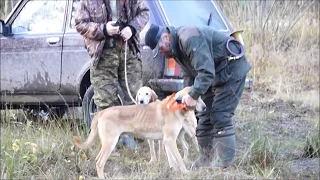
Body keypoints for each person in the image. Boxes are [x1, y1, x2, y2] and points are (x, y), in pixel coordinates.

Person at [144, 24, 251, 169]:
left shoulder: (189, 38)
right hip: (214, 75)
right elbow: (189, 75)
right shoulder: (175, 49)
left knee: (220, 115)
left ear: (165, 37)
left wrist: (194, 95)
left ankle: (225, 164)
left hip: (231, 70)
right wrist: (186, 97)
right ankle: (206, 158)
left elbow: (206, 72)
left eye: (160, 48)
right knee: (203, 116)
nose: (161, 53)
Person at [75, 0, 150, 150]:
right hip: (102, 55)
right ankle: (110, 146)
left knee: (135, 97)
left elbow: (144, 12)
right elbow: (80, 24)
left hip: (128, 51)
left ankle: (135, 142)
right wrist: (103, 29)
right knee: (105, 100)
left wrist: (133, 28)